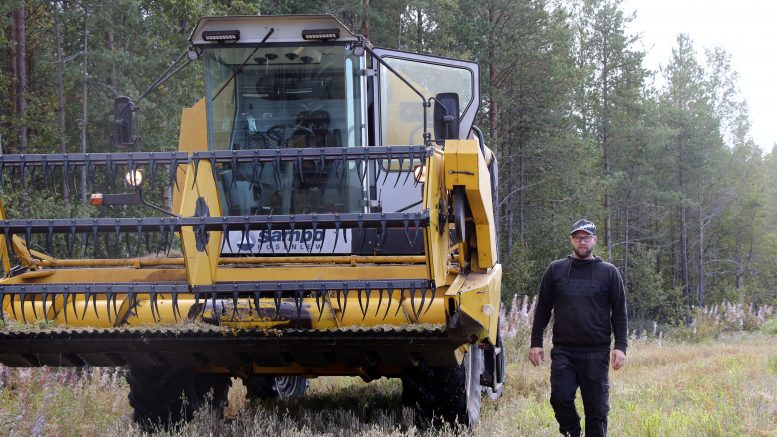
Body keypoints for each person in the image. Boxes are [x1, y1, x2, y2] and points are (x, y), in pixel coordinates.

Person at [528, 219, 628, 437]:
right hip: (564, 351)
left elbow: (619, 312)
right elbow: (543, 308)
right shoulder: (556, 270)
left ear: (595, 240)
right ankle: (572, 432)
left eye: (586, 237)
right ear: (571, 240)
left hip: (596, 353)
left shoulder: (609, 273)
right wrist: (536, 342)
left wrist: (621, 347)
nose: (582, 242)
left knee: (597, 411)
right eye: (578, 237)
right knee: (560, 399)